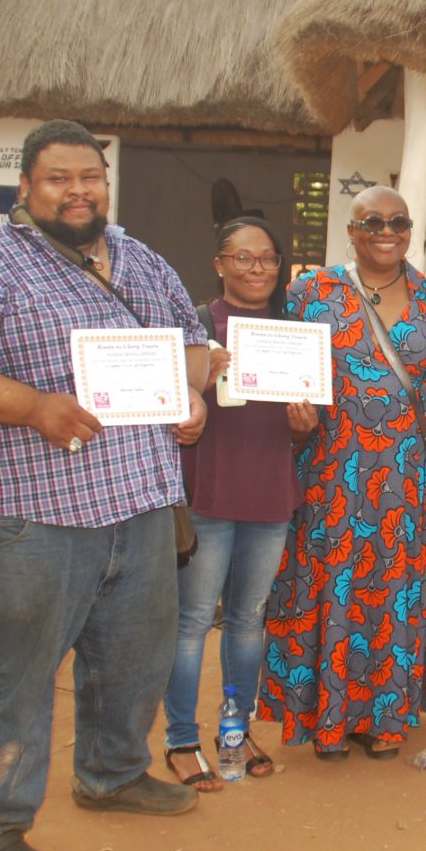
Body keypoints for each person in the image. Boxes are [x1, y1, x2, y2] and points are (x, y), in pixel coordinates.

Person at [0, 119, 209, 851]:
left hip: (139, 500)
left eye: (91, 177)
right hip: (31, 511)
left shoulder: (138, 255)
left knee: (133, 661)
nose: (78, 191)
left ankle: (112, 773)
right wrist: (34, 406)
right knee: (16, 673)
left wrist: (194, 396)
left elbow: (196, 340)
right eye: (59, 179)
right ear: (25, 186)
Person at [259, 186, 426, 759]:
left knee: (393, 589)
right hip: (330, 470)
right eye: (372, 220)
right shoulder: (312, 292)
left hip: (408, 475)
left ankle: (382, 717)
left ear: (411, 229)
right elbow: (280, 371)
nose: (386, 230)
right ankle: (328, 716)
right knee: (331, 584)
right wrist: (292, 423)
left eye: (398, 221)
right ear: (350, 230)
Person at [160, 216, 311, 790]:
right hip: (209, 496)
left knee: (249, 622)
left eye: (268, 259)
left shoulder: (294, 334)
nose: (257, 269)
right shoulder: (194, 329)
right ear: (219, 264)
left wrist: (304, 425)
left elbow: (294, 428)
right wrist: (197, 383)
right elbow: (167, 415)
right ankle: (179, 739)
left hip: (270, 496)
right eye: (243, 258)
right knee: (193, 621)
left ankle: (234, 731)